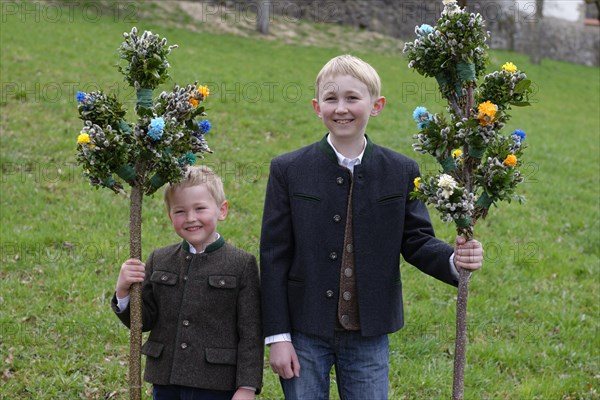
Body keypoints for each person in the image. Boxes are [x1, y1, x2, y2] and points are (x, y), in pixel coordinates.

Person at [259, 54, 484, 399]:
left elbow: (416, 241)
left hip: (369, 333)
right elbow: (274, 255)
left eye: (353, 98)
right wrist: (278, 337)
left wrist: (454, 260)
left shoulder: (401, 171)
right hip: (303, 329)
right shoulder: (289, 170)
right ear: (317, 107)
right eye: (331, 99)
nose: (341, 108)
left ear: (376, 105)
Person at [112, 165, 263, 400]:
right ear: (170, 215)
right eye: (180, 211)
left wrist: (247, 387)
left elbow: (250, 333)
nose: (191, 218)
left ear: (222, 210)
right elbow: (143, 321)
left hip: (216, 384)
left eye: (200, 208)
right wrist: (123, 291)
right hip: (165, 380)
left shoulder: (241, 264)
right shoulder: (159, 258)